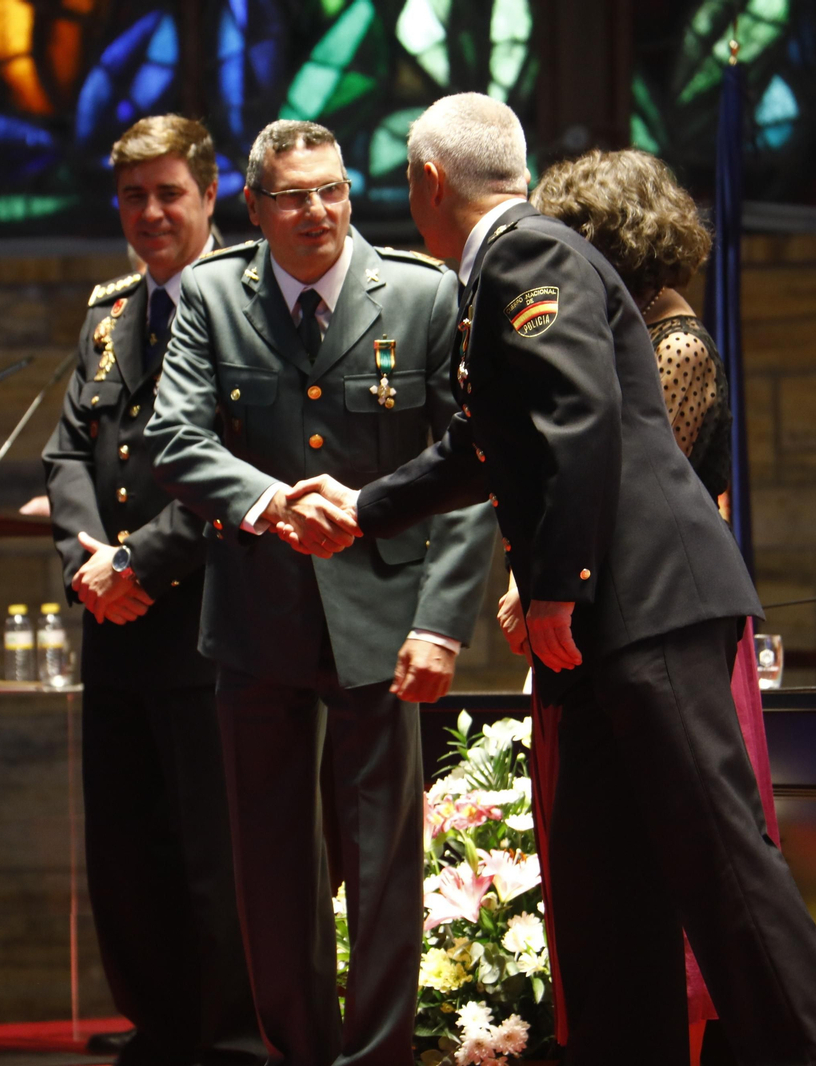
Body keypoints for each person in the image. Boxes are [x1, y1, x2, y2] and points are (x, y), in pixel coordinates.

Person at [282, 95, 816, 1066]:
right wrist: (360, 506)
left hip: (642, 603)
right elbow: (483, 446)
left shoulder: (530, 253)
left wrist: (554, 582)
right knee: (602, 891)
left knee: (722, 868)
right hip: (603, 621)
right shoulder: (507, 268)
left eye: (403, 183)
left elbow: (578, 416)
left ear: (429, 184)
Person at [145, 118, 493, 1066]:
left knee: (384, 866)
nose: (318, 212)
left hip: (385, 622)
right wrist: (265, 503)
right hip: (257, 620)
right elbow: (174, 438)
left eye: (333, 190)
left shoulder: (422, 295)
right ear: (254, 209)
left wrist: (440, 622)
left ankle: (377, 1057)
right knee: (269, 869)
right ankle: (298, 1053)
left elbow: (472, 472)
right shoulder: (215, 297)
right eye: (294, 196)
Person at [524, 147, 782, 1061]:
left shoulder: (671, 345)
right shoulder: (630, 339)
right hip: (616, 625)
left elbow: (617, 489)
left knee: (693, 861)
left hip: (662, 624)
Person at [41, 114, 262, 1066]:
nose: (150, 213)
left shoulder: (250, 300)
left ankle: (232, 1038)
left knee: (217, 855)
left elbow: (244, 467)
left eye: (169, 192)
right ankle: (160, 1026)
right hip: (117, 626)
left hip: (211, 622)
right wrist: (88, 563)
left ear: (211, 196)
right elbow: (65, 451)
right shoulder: (110, 313)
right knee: (128, 853)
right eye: (133, 196)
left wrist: (138, 565)